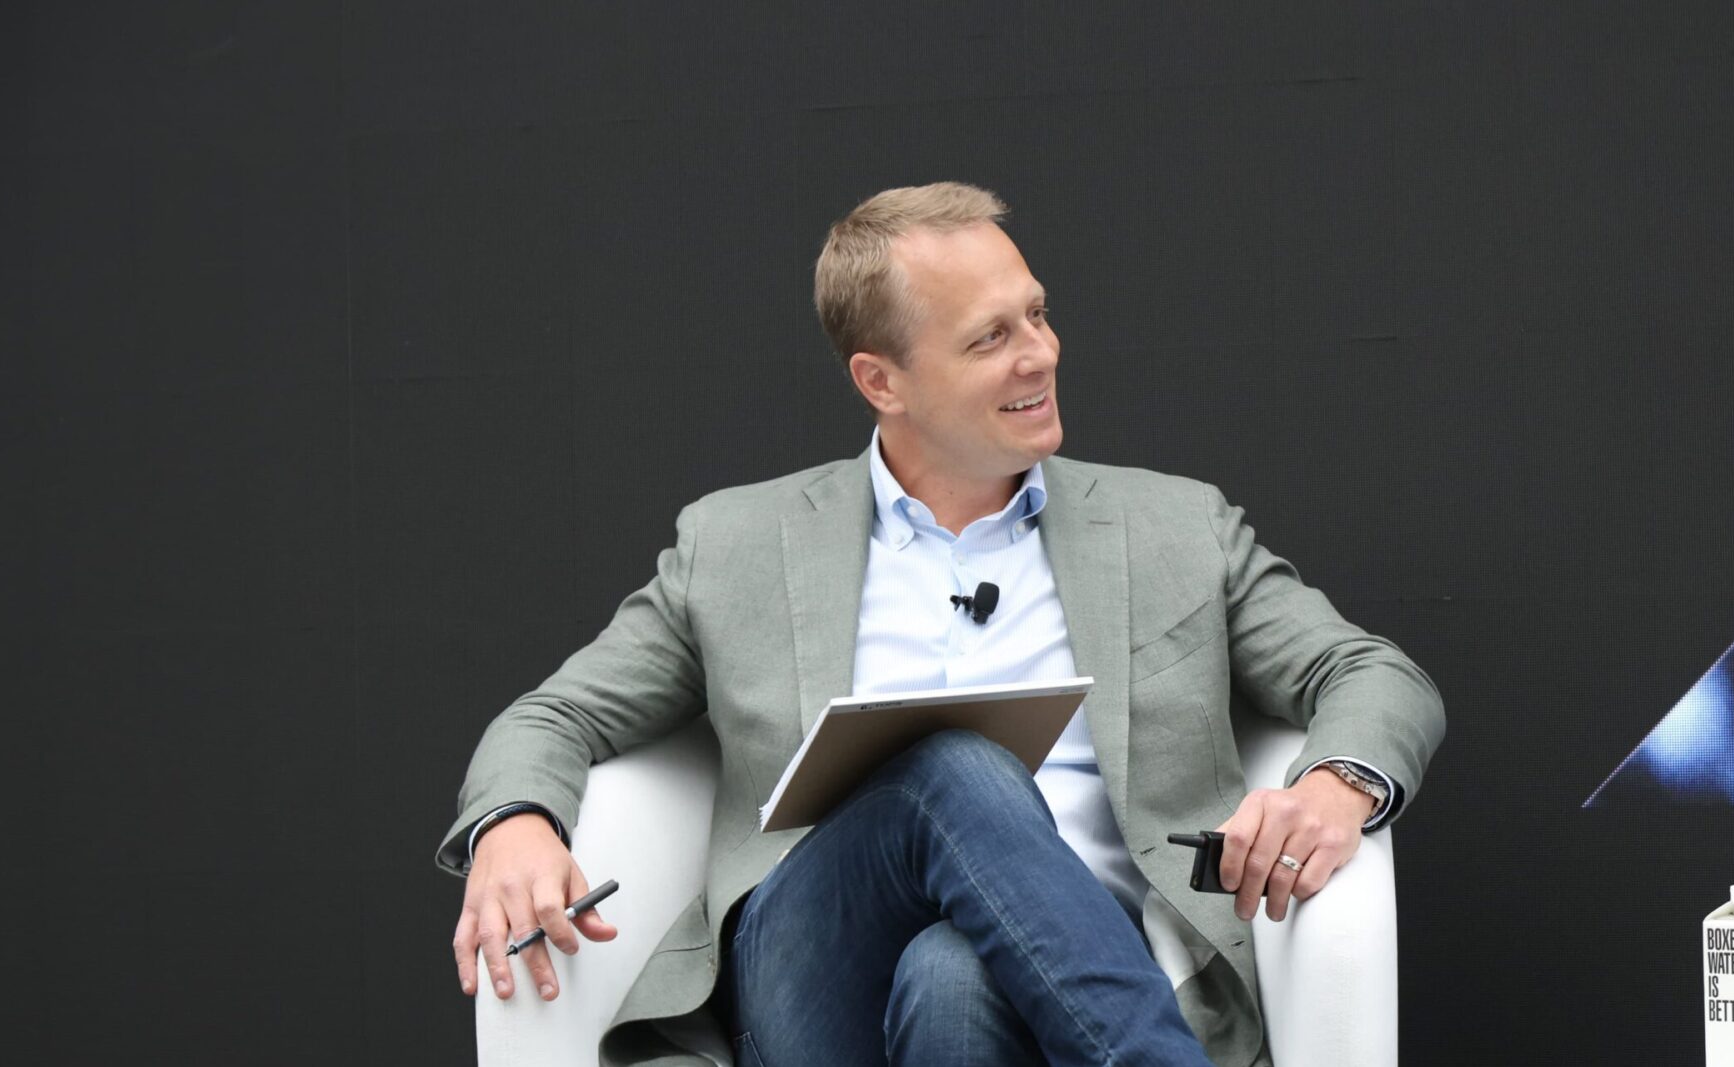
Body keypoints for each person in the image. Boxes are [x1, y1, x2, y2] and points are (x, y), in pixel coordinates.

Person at [438, 182, 1444, 1066]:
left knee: (951, 971)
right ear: (882, 381)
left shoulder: (1173, 526)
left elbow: (1370, 672)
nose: (1038, 355)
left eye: (1037, 314)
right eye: (989, 337)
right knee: (948, 770)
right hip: (814, 973)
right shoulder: (737, 544)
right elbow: (553, 715)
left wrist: (1337, 777)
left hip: (1089, 967)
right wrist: (513, 823)